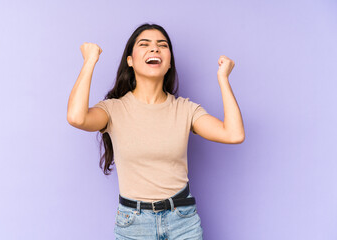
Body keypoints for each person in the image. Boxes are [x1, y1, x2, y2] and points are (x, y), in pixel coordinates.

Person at [67, 23, 245, 240]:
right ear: (130, 61)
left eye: (162, 45)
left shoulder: (185, 109)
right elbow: (77, 117)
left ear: (169, 63)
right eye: (145, 44)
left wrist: (223, 79)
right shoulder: (113, 109)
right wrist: (89, 61)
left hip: (183, 221)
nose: (155, 49)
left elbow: (234, 134)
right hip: (133, 224)